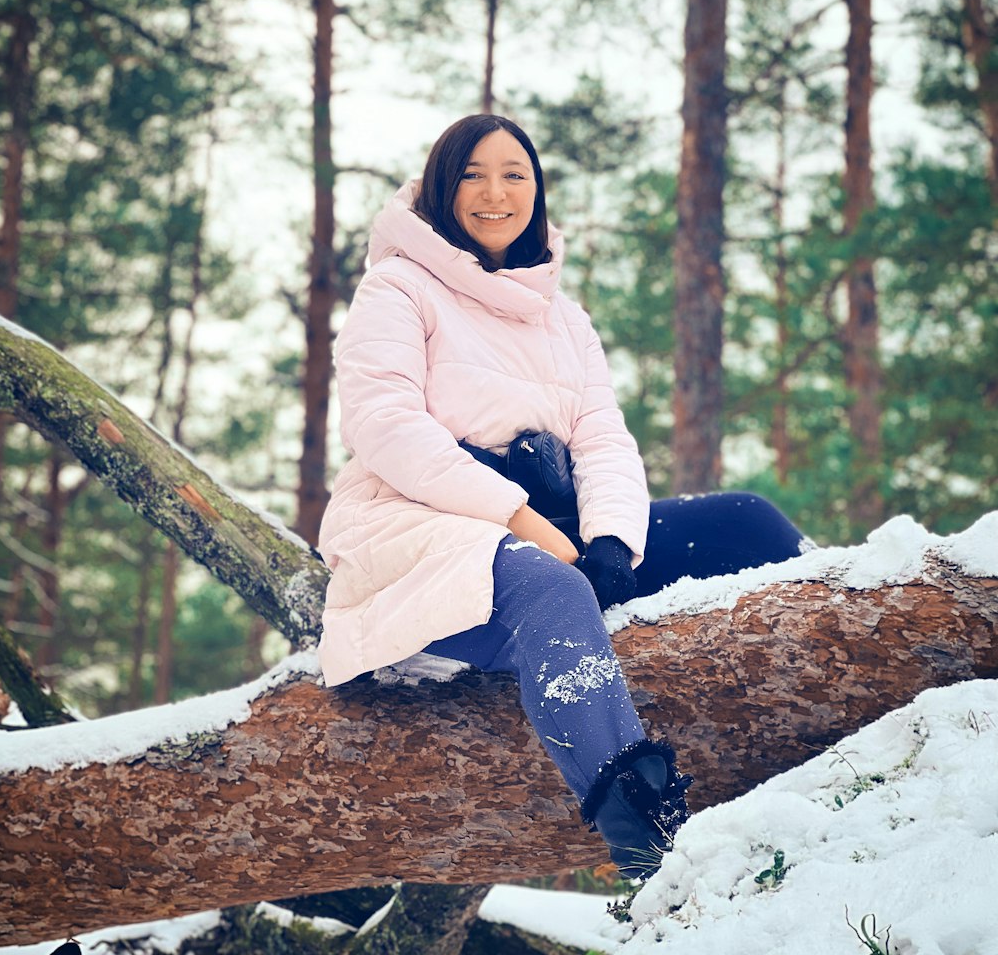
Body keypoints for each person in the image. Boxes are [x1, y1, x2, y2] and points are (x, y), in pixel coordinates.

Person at [317, 113, 808, 879]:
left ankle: (867, 697)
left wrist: (612, 540)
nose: (496, 192)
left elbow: (604, 438)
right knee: (551, 587)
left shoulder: (563, 317)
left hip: (555, 525)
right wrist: (517, 515)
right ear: (443, 189)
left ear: (537, 192)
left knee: (747, 523)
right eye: (474, 174)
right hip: (417, 526)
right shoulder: (397, 288)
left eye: (516, 174)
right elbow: (385, 425)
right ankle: (653, 848)